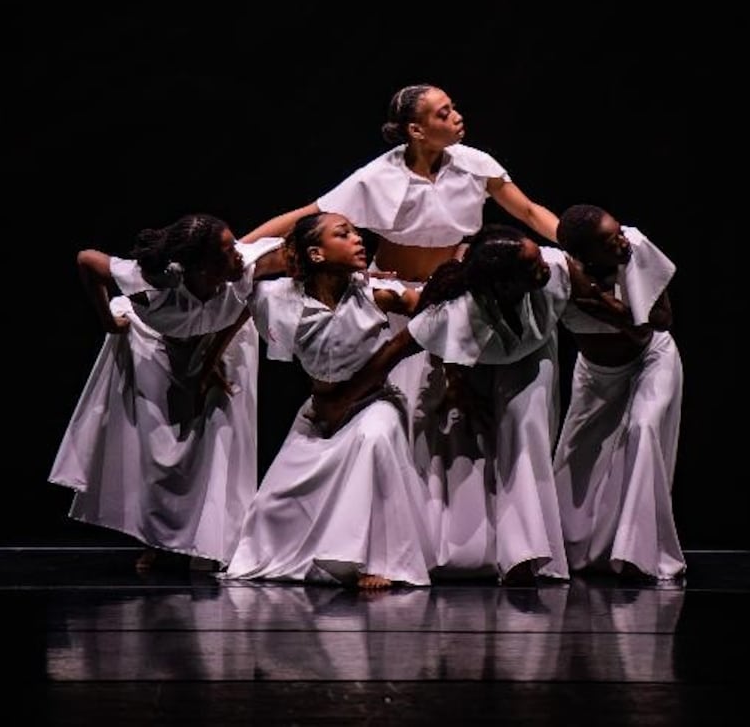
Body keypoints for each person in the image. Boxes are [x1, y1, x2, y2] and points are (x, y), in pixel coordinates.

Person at [240, 84, 561, 574]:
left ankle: (467, 546)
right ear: (416, 129)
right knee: (412, 426)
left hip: (450, 299)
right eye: (443, 112)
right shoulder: (380, 175)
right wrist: (238, 252)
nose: (457, 117)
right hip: (400, 302)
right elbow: (305, 217)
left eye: (454, 107)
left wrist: (577, 240)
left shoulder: (474, 163)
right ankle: (394, 548)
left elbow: (531, 212)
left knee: (459, 424)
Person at [311, 223, 582, 584]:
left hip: (532, 355)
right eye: (531, 266)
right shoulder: (455, 310)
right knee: (460, 434)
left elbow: (593, 295)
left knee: (524, 428)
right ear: (501, 283)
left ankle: (528, 553)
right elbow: (393, 352)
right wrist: (342, 400)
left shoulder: (555, 268)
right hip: (478, 359)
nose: (544, 267)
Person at [49, 213, 286, 572]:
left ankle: (212, 541)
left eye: (235, 244)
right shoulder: (152, 281)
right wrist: (108, 323)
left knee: (217, 437)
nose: (239, 252)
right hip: (155, 345)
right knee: (160, 448)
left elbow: (260, 293)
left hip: (220, 344)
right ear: (200, 266)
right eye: (226, 250)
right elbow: (87, 260)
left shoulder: (246, 266)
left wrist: (208, 362)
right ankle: (158, 539)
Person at [224, 211, 435, 588]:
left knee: (373, 440)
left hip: (374, 402)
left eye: (356, 233)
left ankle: (376, 559)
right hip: (320, 409)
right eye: (344, 234)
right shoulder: (276, 298)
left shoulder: (377, 295)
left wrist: (456, 380)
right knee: (276, 502)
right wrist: (209, 360)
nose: (358, 240)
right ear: (316, 254)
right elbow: (238, 281)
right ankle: (302, 552)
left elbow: (436, 317)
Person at [550, 204, 685, 583]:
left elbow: (658, 321)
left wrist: (609, 308)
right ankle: (575, 551)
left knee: (643, 431)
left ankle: (639, 554)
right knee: (575, 459)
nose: (621, 241)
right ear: (583, 254)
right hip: (595, 376)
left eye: (618, 230)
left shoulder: (636, 246)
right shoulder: (561, 274)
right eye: (609, 241)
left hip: (650, 361)